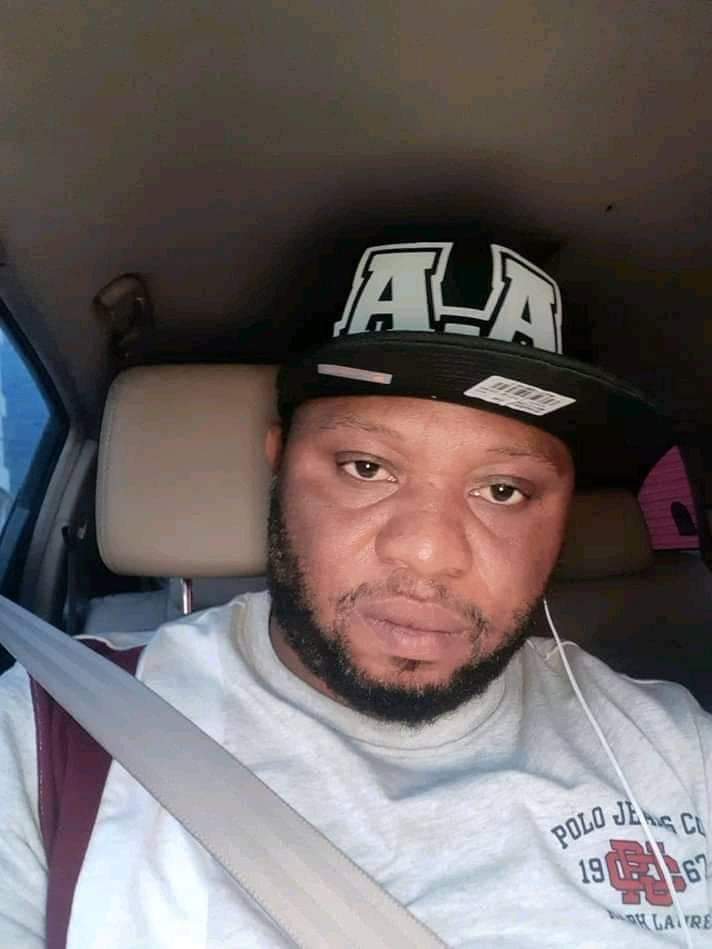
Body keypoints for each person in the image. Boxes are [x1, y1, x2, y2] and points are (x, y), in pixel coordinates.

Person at [0, 231, 710, 948]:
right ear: (278, 465)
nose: (429, 553)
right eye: (366, 468)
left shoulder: (676, 751)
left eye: (503, 489)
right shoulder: (51, 737)